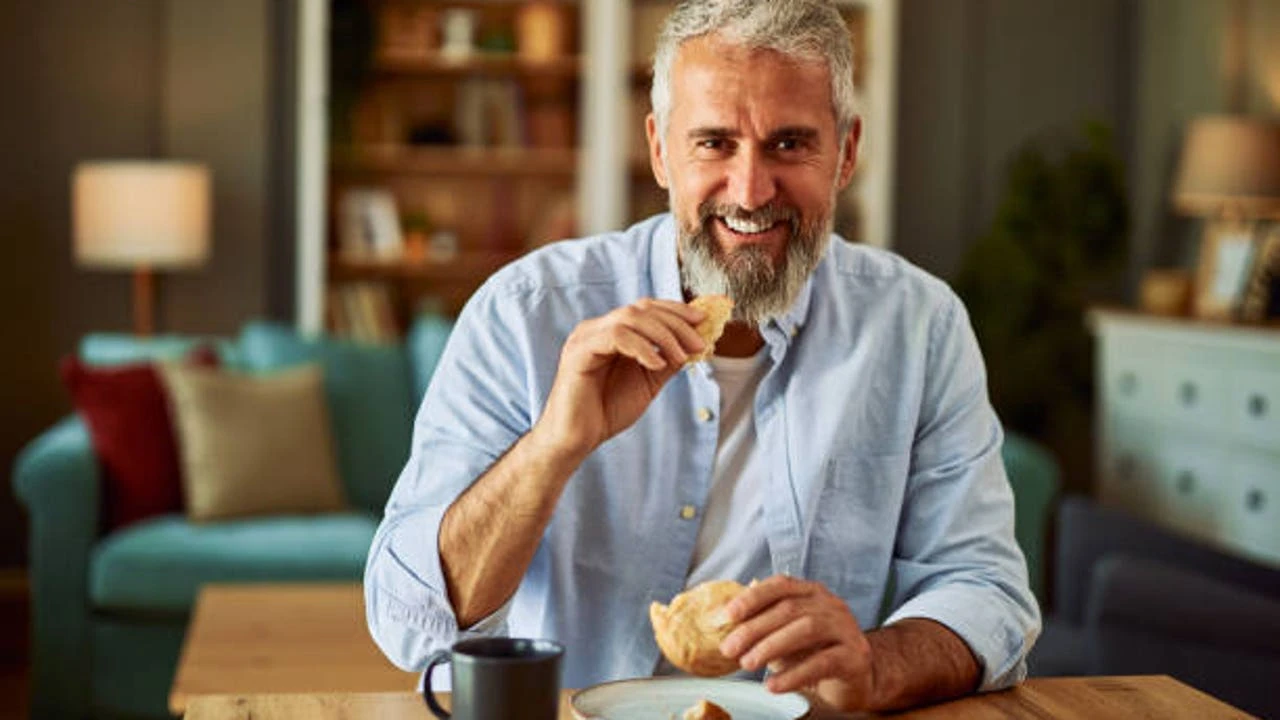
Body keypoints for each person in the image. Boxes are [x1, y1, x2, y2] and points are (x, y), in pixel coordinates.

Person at [365, 0, 1040, 712]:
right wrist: (554, 447)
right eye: (714, 143)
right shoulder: (524, 312)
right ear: (660, 150)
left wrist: (874, 664)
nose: (750, 191)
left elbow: (987, 590)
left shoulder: (918, 326)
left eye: (788, 144)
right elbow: (410, 623)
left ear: (846, 152)